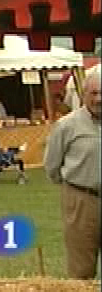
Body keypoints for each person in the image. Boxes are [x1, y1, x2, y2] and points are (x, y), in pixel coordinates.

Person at [44, 69, 101, 279]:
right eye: (93, 93)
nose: (99, 99)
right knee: (81, 269)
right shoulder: (67, 125)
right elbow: (52, 166)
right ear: (83, 95)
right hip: (82, 200)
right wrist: (77, 188)